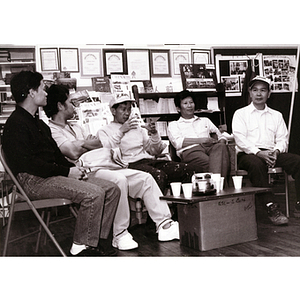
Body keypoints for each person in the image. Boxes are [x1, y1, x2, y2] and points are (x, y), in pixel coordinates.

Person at [43, 85, 179, 250]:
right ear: (60, 106)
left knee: (145, 178)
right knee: (119, 180)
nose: (75, 106)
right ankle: (120, 234)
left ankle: (164, 224)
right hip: (81, 172)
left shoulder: (76, 127)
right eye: (71, 103)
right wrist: (86, 144)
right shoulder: (50, 130)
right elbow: (72, 152)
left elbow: (97, 144)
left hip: (104, 165)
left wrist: (83, 144)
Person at [2, 71, 121, 256]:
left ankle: (98, 240)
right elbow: (28, 164)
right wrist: (67, 172)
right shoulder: (15, 124)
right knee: (94, 193)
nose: (46, 93)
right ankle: (81, 247)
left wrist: (73, 169)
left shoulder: (39, 124)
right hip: (32, 181)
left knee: (112, 189)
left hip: (50, 176)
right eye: (42, 87)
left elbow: (56, 155)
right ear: (31, 92)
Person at [232, 75, 300, 225]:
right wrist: (258, 152)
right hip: (248, 154)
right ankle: (271, 207)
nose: (258, 94)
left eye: (263, 90)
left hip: (271, 152)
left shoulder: (276, 115)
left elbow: (283, 139)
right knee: (256, 164)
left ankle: (299, 204)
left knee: (297, 161)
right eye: (255, 90)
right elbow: (240, 139)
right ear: (249, 92)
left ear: (269, 94)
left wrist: (276, 151)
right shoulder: (240, 114)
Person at [97, 95, 197, 195]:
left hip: (147, 160)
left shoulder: (137, 128)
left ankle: (182, 208)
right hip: (128, 165)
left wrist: (154, 134)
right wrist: (121, 131)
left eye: (129, 109)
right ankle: (158, 209)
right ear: (113, 111)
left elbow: (155, 151)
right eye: (123, 109)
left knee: (187, 169)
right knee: (158, 176)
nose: (127, 113)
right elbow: (106, 152)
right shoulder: (104, 131)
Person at [167, 90, 230, 179]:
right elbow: (178, 143)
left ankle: (216, 186)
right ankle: (219, 187)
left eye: (191, 102)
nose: (189, 106)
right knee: (213, 163)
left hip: (210, 148)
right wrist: (201, 140)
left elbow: (220, 135)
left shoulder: (205, 120)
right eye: (185, 103)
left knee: (221, 147)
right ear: (178, 108)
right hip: (191, 151)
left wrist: (222, 141)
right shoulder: (174, 124)